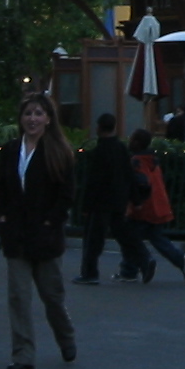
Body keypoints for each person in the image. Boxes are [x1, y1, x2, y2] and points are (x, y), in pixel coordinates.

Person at [0, 93, 79, 369]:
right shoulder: (10, 150)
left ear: (48, 119)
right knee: (18, 296)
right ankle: (23, 353)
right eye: (28, 113)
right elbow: (0, 187)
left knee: (52, 296)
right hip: (16, 234)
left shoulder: (58, 152)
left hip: (45, 235)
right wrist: (3, 217)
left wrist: (51, 222)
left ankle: (65, 337)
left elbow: (66, 195)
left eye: (38, 114)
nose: (32, 119)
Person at [75, 112, 144, 284]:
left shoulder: (99, 151)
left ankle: (90, 273)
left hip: (101, 202)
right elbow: (129, 174)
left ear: (99, 127)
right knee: (123, 234)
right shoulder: (120, 148)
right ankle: (142, 260)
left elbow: (93, 181)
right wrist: (135, 199)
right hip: (118, 200)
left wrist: (85, 205)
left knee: (93, 239)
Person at [128, 130, 185, 281]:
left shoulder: (136, 161)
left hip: (144, 206)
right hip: (159, 204)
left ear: (136, 143)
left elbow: (141, 183)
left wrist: (135, 202)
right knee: (156, 238)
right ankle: (180, 259)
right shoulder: (152, 160)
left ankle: (134, 267)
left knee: (130, 237)